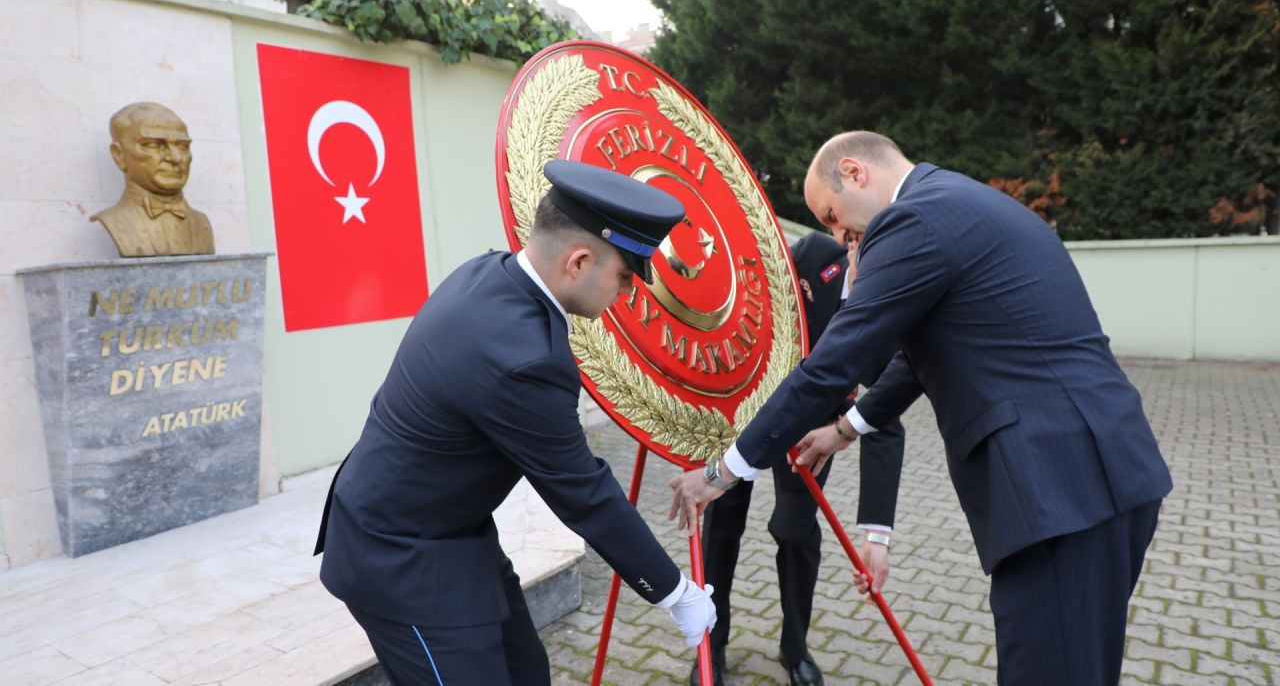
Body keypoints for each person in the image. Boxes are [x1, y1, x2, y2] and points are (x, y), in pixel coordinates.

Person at [671, 131, 1173, 685]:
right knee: (1080, 665)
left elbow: (832, 367)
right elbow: (922, 355)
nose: (839, 236)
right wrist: (846, 427)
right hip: (1106, 471)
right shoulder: (960, 201)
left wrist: (725, 471)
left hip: (1057, 488)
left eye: (833, 215)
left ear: (856, 172)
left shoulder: (910, 220)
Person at [317, 160, 716, 686]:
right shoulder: (524, 359)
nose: (628, 295)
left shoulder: (491, 271)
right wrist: (673, 592)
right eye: (625, 277)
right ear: (578, 262)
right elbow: (585, 494)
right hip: (401, 560)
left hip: (452, 533)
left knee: (527, 670)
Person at [689, 232, 905, 686]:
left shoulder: (890, 301)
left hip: (810, 427)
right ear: (851, 243)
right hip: (745, 410)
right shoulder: (810, 256)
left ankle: (795, 646)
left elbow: (886, 412)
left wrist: (877, 535)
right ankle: (713, 642)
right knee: (722, 521)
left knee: (794, 530)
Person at [90, 102, 215, 257]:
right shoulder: (113, 221)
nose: (175, 158)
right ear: (119, 155)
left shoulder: (202, 223)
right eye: (153, 145)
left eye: (182, 146)